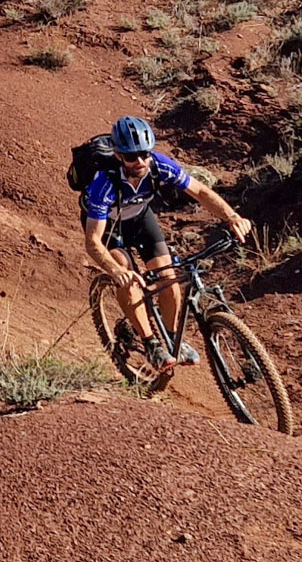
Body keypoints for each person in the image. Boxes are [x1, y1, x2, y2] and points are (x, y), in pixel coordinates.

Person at [81, 116, 253, 374]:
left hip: (139, 217)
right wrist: (116, 272)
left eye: (143, 154)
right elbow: (93, 241)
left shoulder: (159, 165)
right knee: (126, 275)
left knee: (169, 280)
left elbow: (201, 191)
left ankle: (173, 340)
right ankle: (150, 343)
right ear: (118, 155)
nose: (139, 161)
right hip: (109, 226)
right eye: (130, 157)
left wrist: (232, 217)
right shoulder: (102, 185)